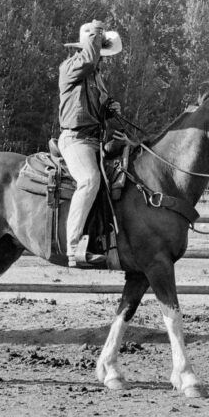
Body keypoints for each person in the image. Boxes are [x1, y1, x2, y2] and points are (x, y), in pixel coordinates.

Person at [58, 19, 122, 268]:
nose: (101, 58)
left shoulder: (96, 77)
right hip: (76, 139)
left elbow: (92, 108)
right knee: (90, 180)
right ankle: (73, 247)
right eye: (98, 51)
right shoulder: (71, 66)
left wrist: (108, 110)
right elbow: (87, 59)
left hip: (95, 140)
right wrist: (97, 34)